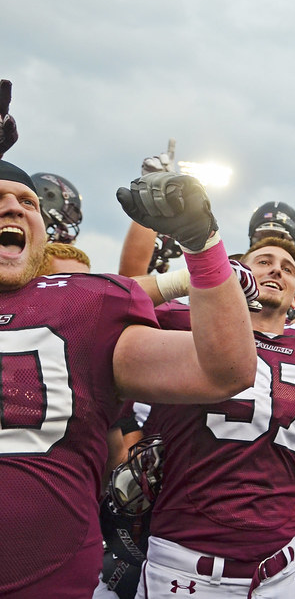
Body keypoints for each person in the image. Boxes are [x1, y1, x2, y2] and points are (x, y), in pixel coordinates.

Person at [0, 162, 257, 598]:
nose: (14, 208)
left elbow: (225, 372)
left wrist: (201, 244)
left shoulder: (81, 304)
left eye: (28, 202)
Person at [136, 233, 295, 598]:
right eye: (263, 262)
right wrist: (192, 278)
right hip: (185, 567)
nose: (276, 270)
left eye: (288, 268)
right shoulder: (188, 320)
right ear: (238, 274)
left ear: (294, 299)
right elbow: (110, 297)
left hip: (281, 572)